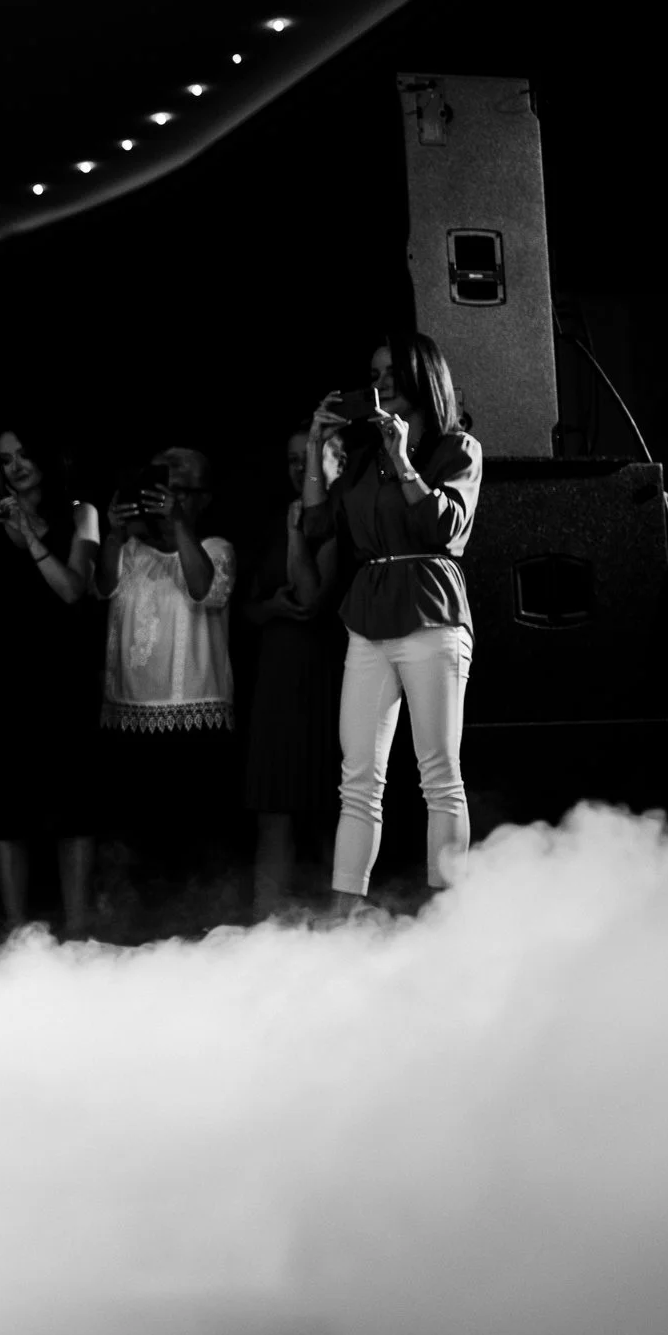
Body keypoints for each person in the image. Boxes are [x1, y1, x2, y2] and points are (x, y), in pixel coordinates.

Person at [303, 333, 483, 906]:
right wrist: (315, 448)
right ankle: (344, 914)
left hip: (429, 608)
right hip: (371, 614)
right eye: (373, 373)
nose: (377, 383)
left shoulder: (458, 448)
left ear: (417, 376)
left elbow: (445, 527)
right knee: (357, 778)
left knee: (438, 773)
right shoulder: (361, 458)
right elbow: (315, 526)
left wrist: (405, 459)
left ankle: (449, 914)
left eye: (387, 373)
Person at [0, 426, 102, 936]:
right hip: (7, 676)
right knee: (7, 808)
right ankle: (17, 928)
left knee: (73, 806)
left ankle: (82, 926)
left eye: (23, 455)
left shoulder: (80, 513)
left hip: (64, 674)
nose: (15, 466)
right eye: (5, 459)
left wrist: (33, 535)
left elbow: (72, 590)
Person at [91, 445, 238, 922]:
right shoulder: (131, 552)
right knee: (133, 849)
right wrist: (113, 532)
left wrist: (178, 525)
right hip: (129, 721)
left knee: (194, 851)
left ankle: (200, 936)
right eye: (159, 488)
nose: (164, 498)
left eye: (178, 491)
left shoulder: (215, 548)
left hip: (195, 725)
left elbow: (202, 588)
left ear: (202, 498)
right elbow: (103, 587)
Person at [243, 427, 348, 915]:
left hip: (318, 674)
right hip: (274, 677)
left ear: (338, 464)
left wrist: (294, 535)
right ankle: (267, 925)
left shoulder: (337, 525)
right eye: (291, 459)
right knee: (273, 805)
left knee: (326, 804)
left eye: (307, 457)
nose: (296, 468)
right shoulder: (269, 521)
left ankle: (337, 922)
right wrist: (272, 609)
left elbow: (309, 600)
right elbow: (249, 611)